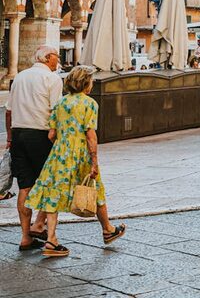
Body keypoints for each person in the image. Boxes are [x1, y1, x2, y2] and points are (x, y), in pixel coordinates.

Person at [25, 66, 126, 257]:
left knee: (53, 194)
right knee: (94, 189)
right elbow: (90, 135)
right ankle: (107, 230)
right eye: (91, 81)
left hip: (58, 154)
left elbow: (51, 134)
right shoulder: (89, 104)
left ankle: (51, 240)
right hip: (80, 155)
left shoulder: (60, 103)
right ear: (85, 83)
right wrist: (94, 161)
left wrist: (63, 145)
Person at [5, 46, 63, 251]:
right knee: (50, 183)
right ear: (48, 58)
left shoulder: (20, 77)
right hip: (41, 135)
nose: (59, 60)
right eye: (57, 56)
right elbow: (56, 111)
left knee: (25, 186)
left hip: (19, 134)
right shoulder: (53, 79)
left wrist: (11, 138)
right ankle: (42, 228)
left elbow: (9, 111)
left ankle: (25, 237)